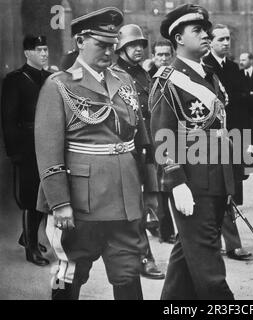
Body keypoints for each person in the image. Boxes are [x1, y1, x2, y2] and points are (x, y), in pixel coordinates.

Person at [34, 7, 154, 300]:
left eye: (113, 46)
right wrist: (59, 202)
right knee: (68, 275)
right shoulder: (59, 84)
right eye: (101, 45)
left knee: (128, 274)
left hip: (125, 198)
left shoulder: (122, 80)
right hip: (80, 202)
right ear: (80, 42)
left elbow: (142, 141)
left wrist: (150, 190)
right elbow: (48, 150)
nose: (110, 52)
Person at [150, 3, 235, 299]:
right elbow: (163, 137)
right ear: (178, 39)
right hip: (192, 184)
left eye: (206, 30)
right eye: (197, 30)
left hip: (215, 180)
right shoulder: (169, 80)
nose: (206, 35)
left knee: (186, 260)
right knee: (210, 270)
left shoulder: (210, 75)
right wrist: (176, 182)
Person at [113, 23, 165, 280]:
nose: (138, 49)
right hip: (128, 148)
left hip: (148, 146)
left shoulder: (144, 75)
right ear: (120, 48)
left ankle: (142, 253)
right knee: (133, 207)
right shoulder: (113, 75)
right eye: (132, 45)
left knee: (150, 202)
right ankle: (144, 257)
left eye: (140, 45)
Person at [203, 24, 252, 261]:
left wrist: (248, 142)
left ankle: (227, 242)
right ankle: (229, 243)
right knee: (217, 192)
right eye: (221, 39)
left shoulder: (234, 68)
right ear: (210, 42)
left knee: (231, 192)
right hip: (210, 139)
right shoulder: (204, 68)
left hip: (233, 137)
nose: (226, 43)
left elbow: (243, 106)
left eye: (228, 39)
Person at [1, 35, 51, 266]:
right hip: (27, 146)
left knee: (46, 194)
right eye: (39, 50)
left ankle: (27, 236)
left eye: (45, 49)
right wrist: (15, 152)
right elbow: (8, 119)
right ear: (27, 53)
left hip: (48, 145)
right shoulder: (15, 80)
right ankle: (31, 248)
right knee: (30, 197)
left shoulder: (51, 78)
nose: (44, 54)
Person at [147, 39, 177, 244]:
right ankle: (164, 230)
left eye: (167, 54)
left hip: (175, 137)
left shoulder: (178, 77)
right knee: (159, 188)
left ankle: (179, 230)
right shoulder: (148, 78)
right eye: (160, 55)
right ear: (153, 57)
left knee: (175, 183)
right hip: (152, 138)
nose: (164, 58)